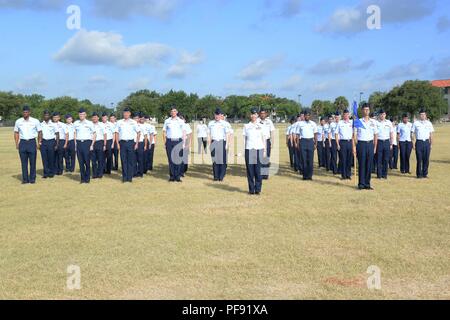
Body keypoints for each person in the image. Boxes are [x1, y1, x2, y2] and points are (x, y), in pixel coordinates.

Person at [14, 105, 41, 184]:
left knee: (33, 162)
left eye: (26, 112)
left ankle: (32, 179)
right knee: (23, 163)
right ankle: (25, 179)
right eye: (24, 112)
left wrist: (39, 142)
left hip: (32, 142)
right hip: (22, 143)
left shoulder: (35, 121)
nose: (25, 113)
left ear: (29, 112)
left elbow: (40, 132)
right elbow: (16, 132)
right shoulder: (18, 121)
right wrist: (16, 143)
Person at [353, 103, 378, 190]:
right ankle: (361, 184)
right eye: (365, 109)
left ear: (369, 111)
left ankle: (367, 184)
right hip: (361, 144)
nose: (366, 111)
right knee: (362, 164)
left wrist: (375, 147)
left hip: (370, 144)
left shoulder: (373, 122)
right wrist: (355, 146)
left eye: (368, 109)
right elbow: (354, 135)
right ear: (362, 110)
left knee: (369, 165)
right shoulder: (358, 121)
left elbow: (375, 135)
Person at [243, 108, 266, 195]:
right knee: (250, 171)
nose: (253, 116)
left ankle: (258, 189)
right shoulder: (246, 126)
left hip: (259, 149)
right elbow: (244, 139)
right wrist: (244, 150)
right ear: (250, 115)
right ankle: (251, 189)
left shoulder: (261, 126)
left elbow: (264, 139)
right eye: (252, 114)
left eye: (255, 114)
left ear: (257, 115)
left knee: (258, 171)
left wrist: (264, 150)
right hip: (249, 149)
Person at [116, 108, 141, 183]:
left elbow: (138, 132)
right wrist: (117, 143)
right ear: (123, 114)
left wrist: (136, 143)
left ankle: (129, 178)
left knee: (130, 161)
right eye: (124, 113)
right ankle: (124, 177)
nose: (126, 114)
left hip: (130, 143)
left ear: (130, 114)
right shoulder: (119, 122)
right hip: (122, 143)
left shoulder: (133, 122)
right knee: (123, 160)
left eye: (127, 113)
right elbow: (116, 133)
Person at [163, 107, 186, 182]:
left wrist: (184, 143)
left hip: (178, 141)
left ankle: (178, 176)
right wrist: (165, 142)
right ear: (170, 112)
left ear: (177, 112)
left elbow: (184, 132)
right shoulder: (167, 121)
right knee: (171, 160)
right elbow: (164, 132)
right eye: (172, 111)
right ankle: (172, 176)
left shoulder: (181, 121)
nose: (173, 112)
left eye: (174, 111)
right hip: (169, 141)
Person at [208, 108, 231, 182]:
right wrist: (209, 144)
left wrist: (227, 144)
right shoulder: (211, 123)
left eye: (218, 114)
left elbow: (227, 134)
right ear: (214, 115)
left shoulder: (224, 123)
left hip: (222, 142)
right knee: (215, 160)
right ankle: (216, 176)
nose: (217, 116)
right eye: (216, 114)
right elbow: (209, 134)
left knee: (222, 160)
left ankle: (221, 176)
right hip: (213, 142)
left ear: (221, 115)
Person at [73, 109, 95, 184]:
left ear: (85, 115)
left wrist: (92, 144)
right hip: (79, 143)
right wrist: (75, 144)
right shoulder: (76, 123)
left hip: (87, 143)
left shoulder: (89, 123)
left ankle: (87, 178)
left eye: (83, 114)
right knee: (81, 162)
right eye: (80, 114)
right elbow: (75, 133)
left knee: (87, 161)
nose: (81, 116)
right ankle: (82, 179)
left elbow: (94, 134)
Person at [412, 109, 434, 179]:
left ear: (426, 115)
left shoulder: (429, 123)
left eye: (424, 115)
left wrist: (431, 144)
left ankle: (425, 174)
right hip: (419, 142)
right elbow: (412, 133)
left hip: (426, 142)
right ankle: (419, 174)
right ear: (419, 115)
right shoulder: (416, 123)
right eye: (421, 115)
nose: (422, 116)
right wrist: (413, 143)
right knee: (419, 159)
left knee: (426, 159)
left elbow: (431, 134)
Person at [297, 110, 318, 180]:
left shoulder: (313, 124)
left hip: (310, 141)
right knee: (304, 159)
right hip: (303, 141)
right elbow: (298, 134)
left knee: (310, 160)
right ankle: (305, 176)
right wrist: (297, 143)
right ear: (304, 116)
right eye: (306, 115)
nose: (307, 116)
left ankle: (310, 175)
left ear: (310, 116)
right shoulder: (300, 124)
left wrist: (316, 143)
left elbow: (315, 134)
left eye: (308, 115)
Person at [39, 110, 59, 179]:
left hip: (51, 142)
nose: (46, 116)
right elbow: (40, 133)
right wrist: (39, 142)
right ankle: (45, 173)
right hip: (43, 142)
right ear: (43, 116)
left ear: (49, 116)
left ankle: (51, 173)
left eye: (47, 115)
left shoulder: (53, 124)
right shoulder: (41, 124)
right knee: (44, 158)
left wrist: (57, 144)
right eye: (45, 115)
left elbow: (57, 134)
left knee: (51, 158)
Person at [376, 110, 394, 179]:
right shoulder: (376, 123)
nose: (382, 115)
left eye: (383, 114)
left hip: (387, 142)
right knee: (379, 159)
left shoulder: (389, 122)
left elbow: (391, 133)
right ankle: (379, 175)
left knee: (386, 159)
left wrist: (391, 144)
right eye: (381, 114)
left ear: (385, 115)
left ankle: (385, 174)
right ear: (379, 115)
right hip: (379, 142)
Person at [336, 109, 354, 180]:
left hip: (350, 142)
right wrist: (337, 144)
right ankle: (343, 175)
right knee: (343, 159)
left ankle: (348, 174)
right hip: (342, 142)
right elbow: (336, 134)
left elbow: (353, 134)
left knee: (349, 159)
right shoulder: (340, 123)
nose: (346, 116)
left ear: (349, 115)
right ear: (343, 115)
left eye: (347, 114)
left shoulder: (352, 122)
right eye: (345, 114)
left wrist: (354, 144)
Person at [258, 109, 275, 180]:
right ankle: (259, 174)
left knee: (266, 158)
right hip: (259, 141)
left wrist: (272, 142)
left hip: (267, 141)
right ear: (259, 114)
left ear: (266, 114)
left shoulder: (269, 121)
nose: (262, 115)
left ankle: (265, 174)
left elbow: (272, 131)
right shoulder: (257, 121)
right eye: (261, 113)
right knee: (259, 158)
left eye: (264, 113)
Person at [91, 112, 106, 179]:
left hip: (100, 142)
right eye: (93, 117)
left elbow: (105, 134)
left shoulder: (101, 124)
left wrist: (104, 145)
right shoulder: (90, 124)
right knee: (93, 160)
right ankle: (94, 174)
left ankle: (100, 174)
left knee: (100, 159)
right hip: (92, 143)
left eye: (96, 117)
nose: (94, 118)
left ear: (98, 118)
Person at [134, 113, 148, 178]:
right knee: (134, 159)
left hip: (140, 143)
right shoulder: (132, 125)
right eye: (134, 118)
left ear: (139, 119)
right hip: (133, 143)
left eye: (137, 118)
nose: (136, 119)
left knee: (140, 159)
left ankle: (140, 173)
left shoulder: (142, 126)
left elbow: (145, 136)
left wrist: (145, 145)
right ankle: (134, 172)